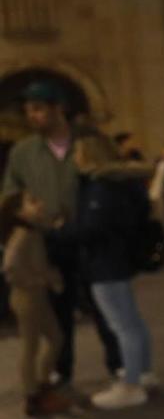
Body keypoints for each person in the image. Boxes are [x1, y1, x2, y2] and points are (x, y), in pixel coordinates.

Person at [1, 80, 121, 388]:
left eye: (39, 109)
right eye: (29, 110)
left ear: (59, 109)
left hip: (89, 236)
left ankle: (120, 365)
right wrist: (24, 208)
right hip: (48, 241)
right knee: (58, 310)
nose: (32, 116)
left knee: (104, 306)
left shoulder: (90, 142)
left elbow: (113, 179)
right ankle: (60, 369)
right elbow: (11, 192)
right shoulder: (23, 152)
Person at [73, 133, 155, 408]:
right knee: (131, 320)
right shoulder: (121, 183)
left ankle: (131, 385)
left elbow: (91, 229)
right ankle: (142, 372)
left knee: (122, 325)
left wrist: (58, 231)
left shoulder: (101, 187)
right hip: (118, 259)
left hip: (104, 263)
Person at [1, 192, 66, 417]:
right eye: (32, 201)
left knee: (55, 339)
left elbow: (37, 264)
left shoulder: (33, 231)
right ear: (19, 212)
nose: (39, 203)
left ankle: (42, 385)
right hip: (27, 298)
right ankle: (33, 397)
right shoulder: (23, 234)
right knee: (31, 347)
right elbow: (10, 268)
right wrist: (37, 280)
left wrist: (51, 278)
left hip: (37, 296)